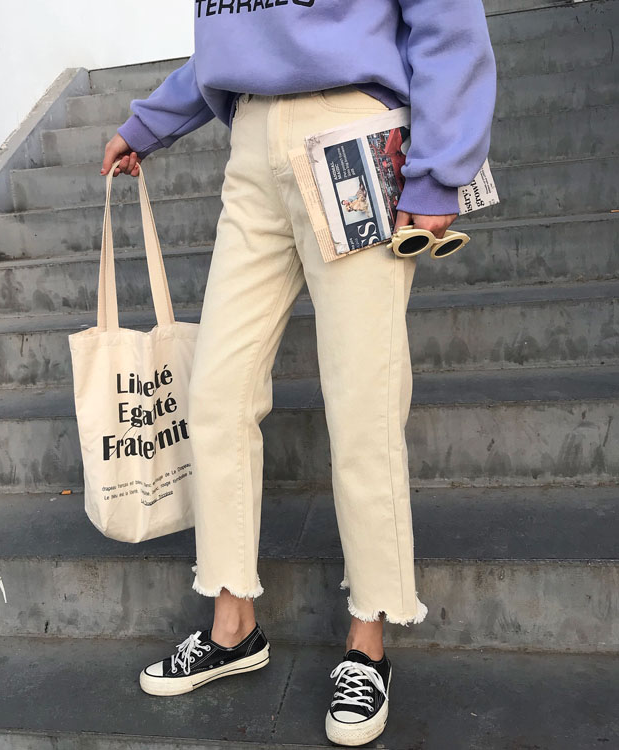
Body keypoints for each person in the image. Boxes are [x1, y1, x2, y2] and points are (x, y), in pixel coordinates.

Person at [101, 1, 496, 745]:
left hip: (353, 129)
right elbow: (236, 33)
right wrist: (152, 121)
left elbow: (446, 20)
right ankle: (233, 625)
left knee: (364, 402)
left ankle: (368, 639)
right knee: (216, 395)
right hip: (252, 145)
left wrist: (441, 168)